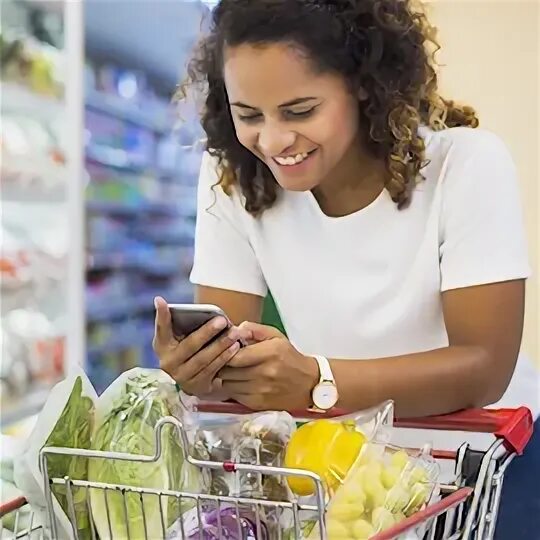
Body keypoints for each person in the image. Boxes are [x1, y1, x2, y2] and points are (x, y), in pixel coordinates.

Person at [153, 1, 539, 537]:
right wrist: (201, 368)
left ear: (363, 83)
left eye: (300, 110)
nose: (272, 141)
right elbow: (233, 373)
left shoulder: (466, 165)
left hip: (489, 466)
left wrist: (317, 381)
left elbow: (484, 368)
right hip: (345, 468)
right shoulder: (233, 179)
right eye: (248, 115)